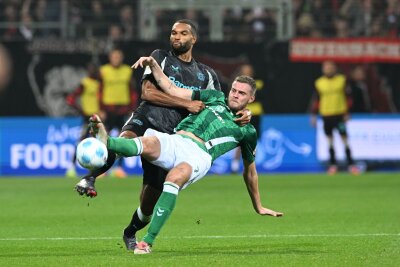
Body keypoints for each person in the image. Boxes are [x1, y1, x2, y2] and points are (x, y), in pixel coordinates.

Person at [76, 55, 283, 254]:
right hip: (178, 139)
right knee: (148, 142)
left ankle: (147, 242)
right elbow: (172, 88)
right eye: (234, 90)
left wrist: (258, 205)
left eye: (242, 93)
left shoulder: (248, 132)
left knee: (173, 179)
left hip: (199, 155)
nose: (235, 95)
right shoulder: (215, 98)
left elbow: (251, 171)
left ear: (251, 98)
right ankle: (107, 141)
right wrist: (153, 65)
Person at [310, 60, 359, 175]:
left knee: (344, 139)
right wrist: (313, 115)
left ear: (335, 68)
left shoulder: (342, 80)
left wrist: (347, 112)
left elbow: (349, 97)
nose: (328, 69)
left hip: (339, 115)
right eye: (326, 67)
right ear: (323, 69)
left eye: (330, 67)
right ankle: (333, 165)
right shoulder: (319, 83)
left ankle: (351, 165)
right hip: (326, 115)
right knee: (330, 141)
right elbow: (316, 100)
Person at [98, 48, 138, 178]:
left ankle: (119, 168)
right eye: (114, 56)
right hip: (108, 109)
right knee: (104, 139)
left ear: (121, 58)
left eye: (118, 56)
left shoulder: (127, 70)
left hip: (123, 109)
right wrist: (100, 109)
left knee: (123, 138)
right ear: (110, 58)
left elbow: (132, 90)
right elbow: (99, 91)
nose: (116, 59)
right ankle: (103, 168)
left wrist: (133, 107)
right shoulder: (104, 71)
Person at [65, 62, 100, 178]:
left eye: (95, 70)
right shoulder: (84, 83)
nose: (93, 72)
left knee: (101, 144)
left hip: (99, 117)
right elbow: (70, 99)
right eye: (91, 69)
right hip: (88, 117)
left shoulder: (100, 84)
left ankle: (99, 170)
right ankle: (71, 167)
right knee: (82, 141)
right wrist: (81, 110)